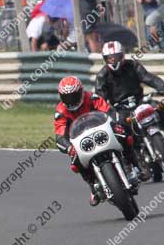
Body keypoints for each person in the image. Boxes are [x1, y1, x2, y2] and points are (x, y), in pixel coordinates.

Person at [54, 76, 134, 206]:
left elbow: (109, 111)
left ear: (81, 92)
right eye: (67, 97)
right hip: (81, 141)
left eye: (74, 96)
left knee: (125, 136)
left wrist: (116, 123)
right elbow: (59, 136)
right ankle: (93, 186)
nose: (71, 100)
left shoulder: (92, 98)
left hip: (102, 131)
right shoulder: (60, 112)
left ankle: (132, 164)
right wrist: (69, 147)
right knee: (75, 162)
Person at [96, 40, 164, 152]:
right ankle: (130, 157)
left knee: (158, 107)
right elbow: (100, 98)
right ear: (105, 59)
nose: (113, 60)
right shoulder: (102, 75)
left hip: (140, 102)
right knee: (119, 127)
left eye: (116, 57)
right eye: (109, 58)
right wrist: (105, 110)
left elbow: (148, 77)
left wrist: (161, 86)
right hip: (121, 109)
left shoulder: (133, 66)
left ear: (122, 55)